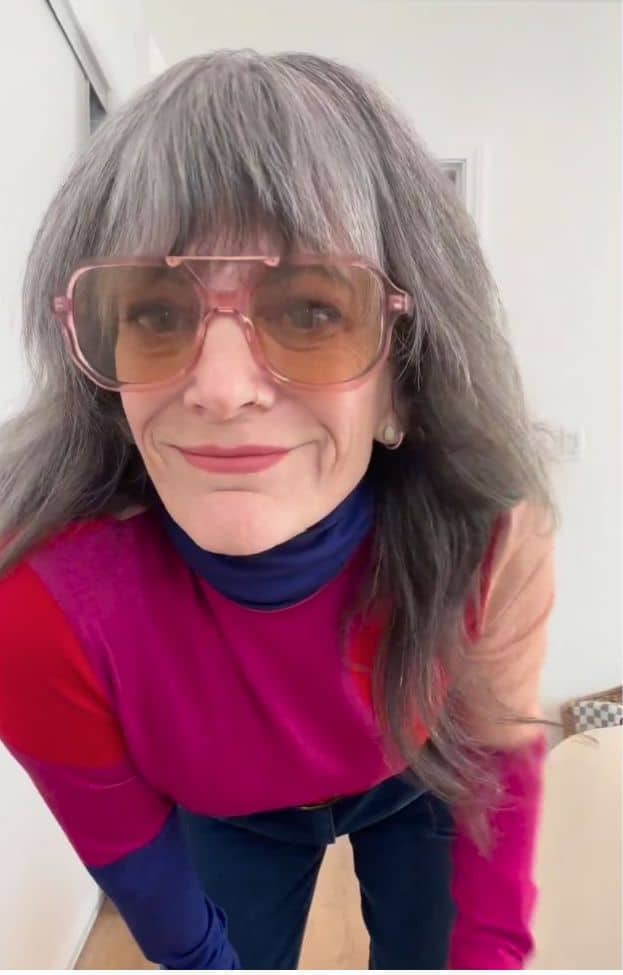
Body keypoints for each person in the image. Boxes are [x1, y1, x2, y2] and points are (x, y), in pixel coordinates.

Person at [0, 50, 557, 970]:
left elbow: (498, 760)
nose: (221, 390)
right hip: (229, 815)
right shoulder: (36, 609)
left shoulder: (487, 535)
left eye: (309, 312)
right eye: (157, 314)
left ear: (405, 377)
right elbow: (144, 877)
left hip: (420, 776)